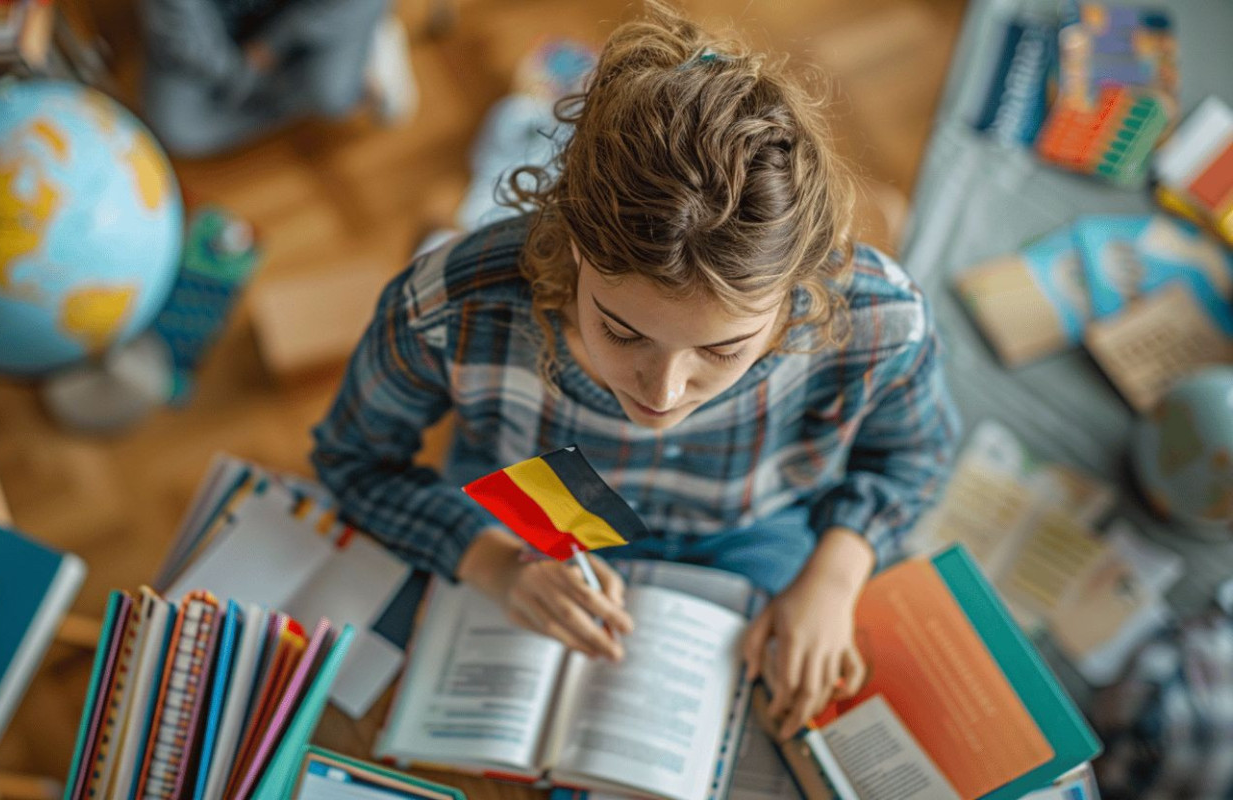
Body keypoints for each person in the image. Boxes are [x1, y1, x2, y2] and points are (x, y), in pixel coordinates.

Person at [311, 1, 959, 739]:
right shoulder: (449, 308)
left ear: (796, 292)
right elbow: (353, 459)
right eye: (621, 331)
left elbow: (917, 453)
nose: (662, 394)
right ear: (572, 243)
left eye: (722, 350)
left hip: (755, 531)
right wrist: (491, 564)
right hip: (533, 517)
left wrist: (838, 575)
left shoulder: (881, 319)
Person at [140, 0, 418, 158]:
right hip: (213, 35)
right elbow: (183, 39)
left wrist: (274, 43)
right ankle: (331, 74)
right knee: (179, 130)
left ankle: (369, 41)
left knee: (332, 96)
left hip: (305, 18)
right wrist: (240, 71)